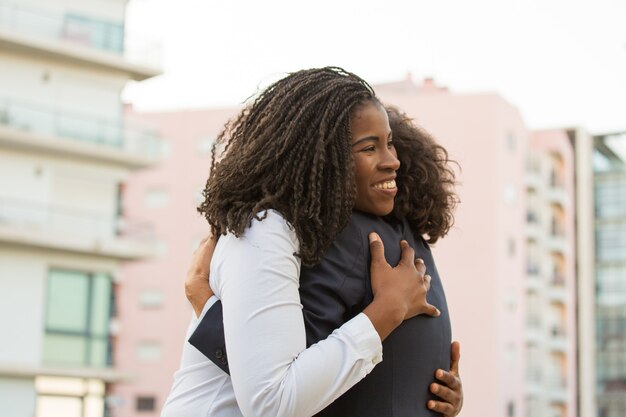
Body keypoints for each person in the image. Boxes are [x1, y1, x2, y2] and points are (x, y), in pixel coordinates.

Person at [162, 67, 461, 417]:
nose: (393, 161)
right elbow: (272, 402)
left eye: (389, 142)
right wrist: (388, 309)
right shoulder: (265, 229)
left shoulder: (322, 236)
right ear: (320, 155)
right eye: (369, 147)